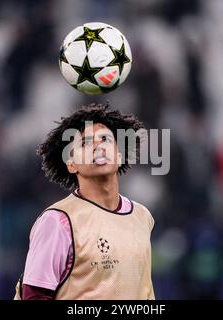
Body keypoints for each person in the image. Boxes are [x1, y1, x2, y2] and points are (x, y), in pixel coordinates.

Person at [14, 103, 155, 300]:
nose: (98, 146)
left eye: (105, 139)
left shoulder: (142, 216)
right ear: (71, 164)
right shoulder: (58, 222)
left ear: (119, 154)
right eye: (85, 143)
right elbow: (34, 296)